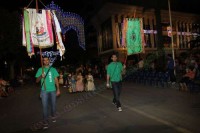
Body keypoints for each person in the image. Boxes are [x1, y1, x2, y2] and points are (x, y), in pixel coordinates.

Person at [35, 57, 60, 130]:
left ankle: (53, 115)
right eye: (44, 60)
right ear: (43, 61)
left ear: (49, 61)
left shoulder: (53, 69)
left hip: (53, 90)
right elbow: (37, 81)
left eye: (47, 60)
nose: (45, 61)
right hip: (44, 90)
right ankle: (45, 122)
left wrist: (58, 89)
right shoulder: (40, 69)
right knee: (45, 107)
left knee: (53, 105)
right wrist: (40, 76)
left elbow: (56, 80)